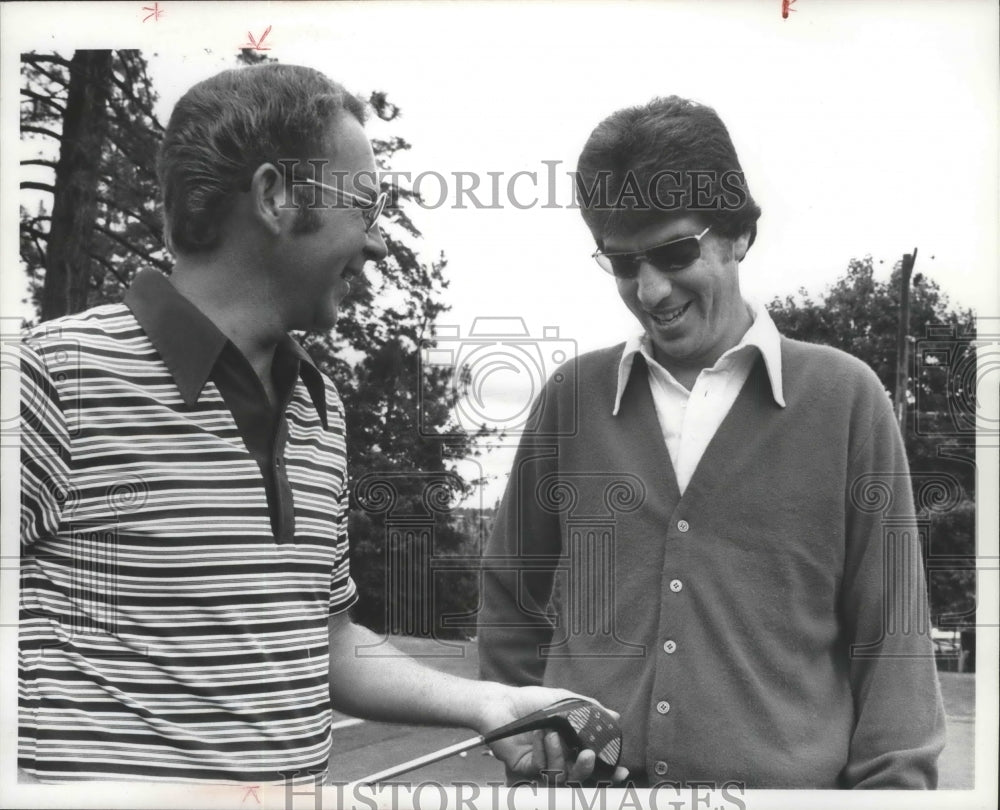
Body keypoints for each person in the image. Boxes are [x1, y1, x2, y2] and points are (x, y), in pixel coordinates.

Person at [17, 63, 626, 786]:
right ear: (275, 196)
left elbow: (323, 638)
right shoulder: (51, 377)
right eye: (363, 208)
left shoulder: (319, 407)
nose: (374, 243)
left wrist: (494, 703)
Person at [478, 96, 946, 789]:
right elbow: (509, 599)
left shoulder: (847, 400)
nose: (650, 287)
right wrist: (531, 753)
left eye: (674, 251)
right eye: (621, 262)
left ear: (737, 234)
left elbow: (894, 646)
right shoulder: (571, 399)